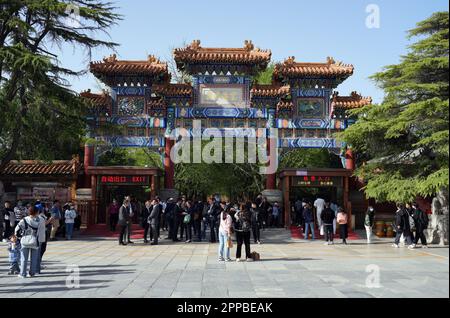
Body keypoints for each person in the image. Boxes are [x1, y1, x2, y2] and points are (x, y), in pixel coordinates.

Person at [14, 206, 45, 278]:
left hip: (25, 241)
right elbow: (42, 231)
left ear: (29, 212)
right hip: (35, 241)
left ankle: (23, 273)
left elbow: (17, 229)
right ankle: (32, 273)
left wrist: (19, 237)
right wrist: (41, 240)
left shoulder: (24, 219)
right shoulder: (40, 220)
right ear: (37, 212)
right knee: (34, 258)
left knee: (24, 258)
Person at [37, 207, 51, 274]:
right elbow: (45, 223)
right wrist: (50, 219)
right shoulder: (40, 217)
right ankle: (38, 265)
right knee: (41, 249)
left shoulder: (42, 215)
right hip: (41, 235)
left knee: (42, 249)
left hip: (43, 234)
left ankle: (39, 263)